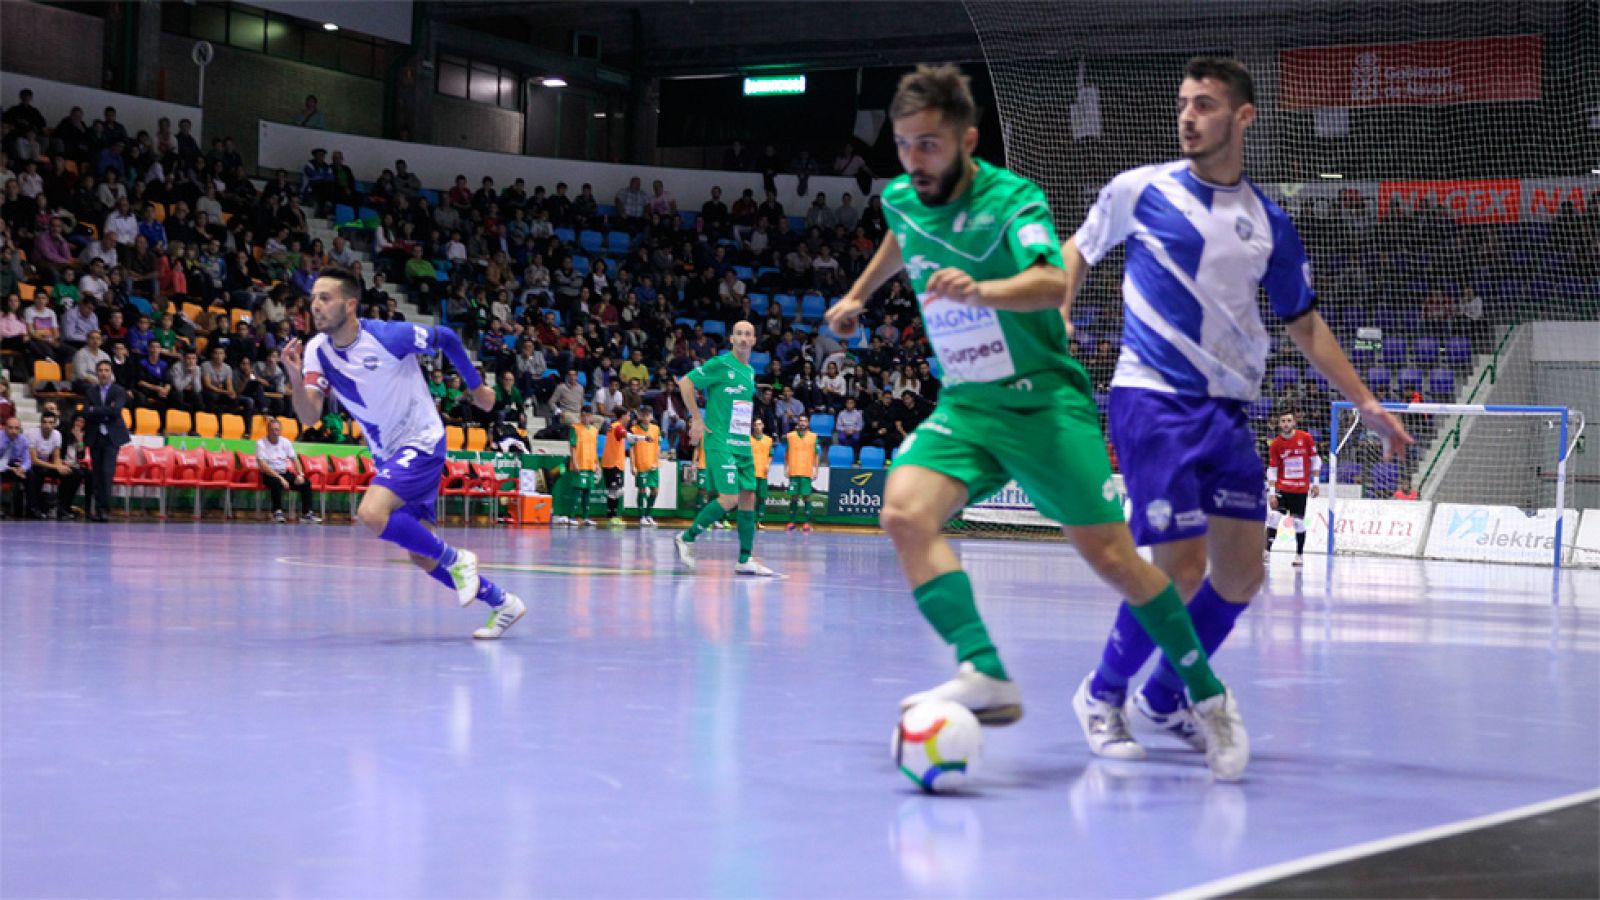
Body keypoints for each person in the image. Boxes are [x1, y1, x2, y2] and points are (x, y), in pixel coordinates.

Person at [824, 63, 1248, 780]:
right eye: (902, 145)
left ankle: (1207, 698)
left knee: (1117, 563)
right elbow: (901, 232)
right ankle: (984, 671)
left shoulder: (1013, 199)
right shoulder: (902, 195)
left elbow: (1052, 280)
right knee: (902, 514)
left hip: (1045, 405)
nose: (913, 161)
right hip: (968, 405)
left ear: (967, 139)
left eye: (929, 145)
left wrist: (983, 290)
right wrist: (859, 292)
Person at [1062, 57, 1412, 762]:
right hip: (1151, 400)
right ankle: (1102, 694)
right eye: (1184, 103)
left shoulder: (1270, 223)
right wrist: (1061, 311)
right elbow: (1077, 249)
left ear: (1242, 117)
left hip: (1226, 412)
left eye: (1206, 104)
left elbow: (1304, 325)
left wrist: (1366, 402)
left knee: (1243, 574)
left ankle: (1162, 698)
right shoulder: (1141, 189)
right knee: (1179, 569)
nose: (1189, 115)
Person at [280, 267, 526, 640]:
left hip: (422, 440)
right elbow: (309, 415)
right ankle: (503, 603)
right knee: (421, 552)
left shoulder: (386, 336)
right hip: (388, 454)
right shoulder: (317, 350)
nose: (315, 305)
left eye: (325, 298)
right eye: (313, 298)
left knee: (371, 512)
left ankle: (459, 560)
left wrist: (477, 390)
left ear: (350, 304)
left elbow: (445, 337)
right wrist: (295, 377)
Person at [672, 320, 775, 576]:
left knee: (748, 496)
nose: (743, 338)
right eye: (738, 333)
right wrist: (696, 418)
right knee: (729, 498)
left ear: (753, 340)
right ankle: (686, 537)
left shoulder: (750, 372)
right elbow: (686, 383)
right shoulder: (720, 364)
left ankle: (744, 559)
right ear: (731, 339)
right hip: (720, 441)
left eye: (748, 334)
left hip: (742, 442)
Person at [1264, 411, 1319, 565]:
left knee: (1298, 523)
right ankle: (1267, 551)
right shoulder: (1276, 444)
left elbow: (1315, 460)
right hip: (1283, 487)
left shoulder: (1305, 438)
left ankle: (1299, 555)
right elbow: (1272, 469)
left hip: (1300, 489)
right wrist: (1272, 493)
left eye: (1289, 420)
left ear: (1294, 422)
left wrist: (1315, 483)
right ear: (1279, 424)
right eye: (1283, 421)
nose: (1286, 423)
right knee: (1274, 517)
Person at [80, 360, 130, 522]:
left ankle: (104, 510)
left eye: (106, 370)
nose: (103, 373)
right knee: (96, 474)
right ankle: (96, 508)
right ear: (96, 373)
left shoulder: (119, 390)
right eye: (100, 370)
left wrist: (97, 410)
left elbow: (116, 412)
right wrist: (103, 411)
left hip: (111, 437)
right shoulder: (90, 391)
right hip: (95, 436)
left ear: (111, 373)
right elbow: (86, 412)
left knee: (107, 473)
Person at [255, 417, 318, 523]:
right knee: (276, 483)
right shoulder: (261, 443)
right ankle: (277, 512)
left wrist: (300, 475)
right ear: (268, 430)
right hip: (269, 474)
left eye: (277, 430)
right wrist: (280, 478)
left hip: (284, 472)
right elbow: (263, 465)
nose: (275, 432)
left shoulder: (286, 442)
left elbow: (295, 459)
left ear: (280, 431)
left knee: (305, 483)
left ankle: (306, 513)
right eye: (272, 429)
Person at [566, 407, 601, 527]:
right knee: (577, 491)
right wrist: (574, 462)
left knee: (587, 492)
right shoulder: (575, 428)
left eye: (588, 415)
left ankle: (586, 517)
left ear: (591, 417)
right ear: (580, 416)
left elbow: (595, 448)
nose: (586, 418)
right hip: (579, 464)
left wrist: (596, 463)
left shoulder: (594, 430)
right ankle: (572, 516)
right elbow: (572, 447)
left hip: (590, 464)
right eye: (583, 415)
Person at [784, 414, 819, 533]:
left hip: (806, 471)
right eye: (801, 421)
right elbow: (786, 453)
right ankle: (792, 521)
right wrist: (786, 468)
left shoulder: (814, 437)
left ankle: (807, 523)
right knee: (793, 496)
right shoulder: (790, 436)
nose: (802, 423)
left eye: (805, 421)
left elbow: (817, 455)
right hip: (794, 470)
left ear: (808, 423)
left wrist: (816, 470)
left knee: (806, 497)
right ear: (798, 423)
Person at [630, 406, 662, 527]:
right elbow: (632, 449)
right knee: (642, 490)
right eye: (643, 415)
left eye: (648, 415)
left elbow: (658, 446)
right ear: (640, 416)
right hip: (641, 464)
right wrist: (633, 465)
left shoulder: (656, 429)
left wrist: (656, 461)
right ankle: (642, 516)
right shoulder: (634, 429)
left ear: (651, 416)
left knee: (655, 490)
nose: (645, 418)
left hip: (653, 465)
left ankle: (649, 515)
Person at [600, 409, 633, 528]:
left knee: (614, 491)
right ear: (623, 416)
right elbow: (629, 437)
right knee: (616, 490)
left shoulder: (613, 426)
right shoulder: (617, 427)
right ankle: (612, 516)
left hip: (615, 463)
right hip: (613, 464)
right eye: (628, 415)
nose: (629, 418)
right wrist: (645, 438)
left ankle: (612, 516)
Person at [0, 416, 30, 518]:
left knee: (30, 474)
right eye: (10, 428)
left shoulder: (23, 440)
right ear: (5, 428)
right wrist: (10, 468)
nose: (13, 431)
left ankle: (30, 509)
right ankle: (3, 508)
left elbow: (27, 460)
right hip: (2, 465)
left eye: (16, 428)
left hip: (13, 465)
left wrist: (23, 469)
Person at [748, 417, 774, 528]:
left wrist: (768, 464)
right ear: (753, 427)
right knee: (751, 498)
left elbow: (770, 455)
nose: (758, 426)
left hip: (763, 473)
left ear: (763, 426)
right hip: (751, 473)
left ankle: (759, 520)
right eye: (755, 424)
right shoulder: (748, 440)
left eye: (759, 424)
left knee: (762, 497)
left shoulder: (768, 440)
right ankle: (751, 520)